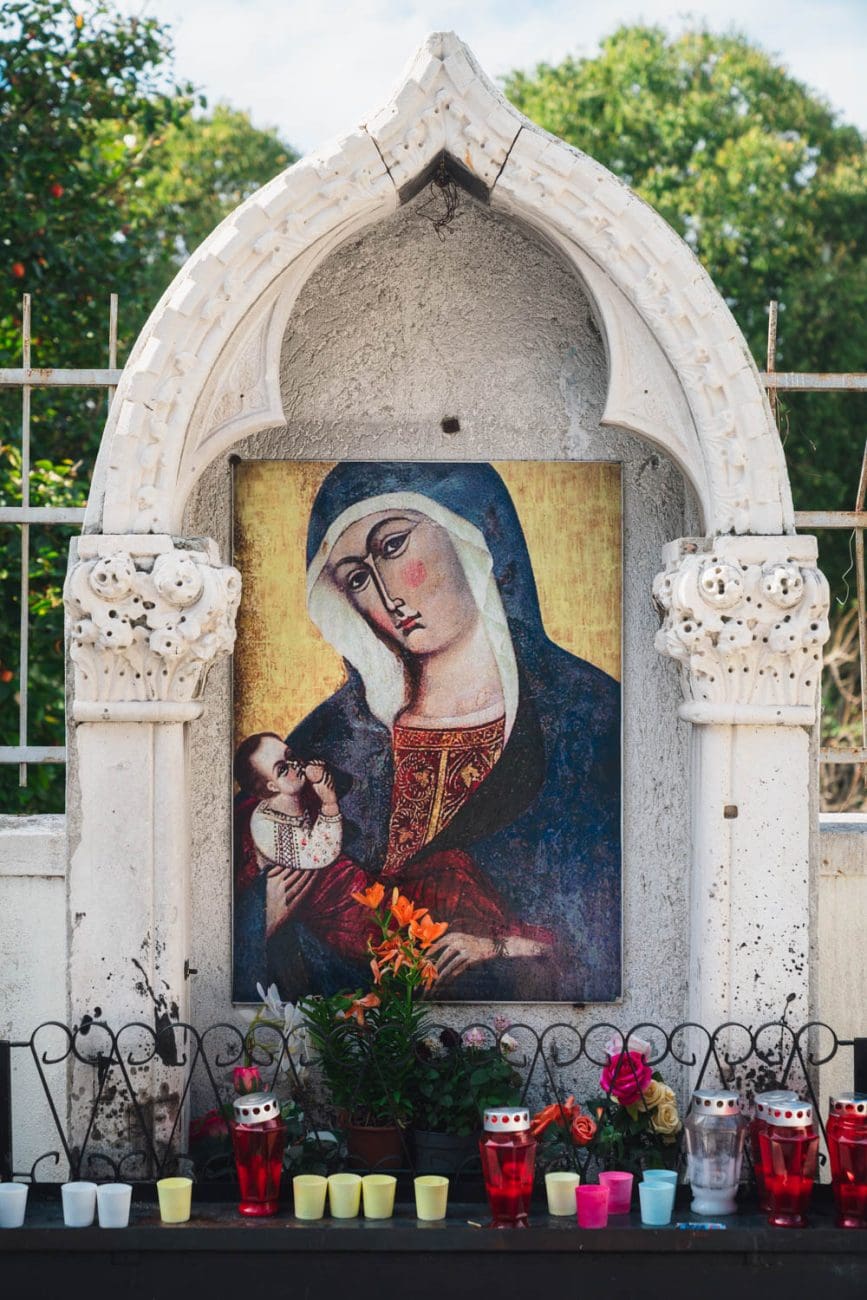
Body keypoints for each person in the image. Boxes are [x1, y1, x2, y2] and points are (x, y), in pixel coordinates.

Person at [233, 462, 620, 1004]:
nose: (387, 595)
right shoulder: (322, 743)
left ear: (470, 532)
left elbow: (608, 927)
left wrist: (498, 946)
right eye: (357, 579)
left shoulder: (588, 716)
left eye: (393, 546)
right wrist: (262, 919)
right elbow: (245, 914)